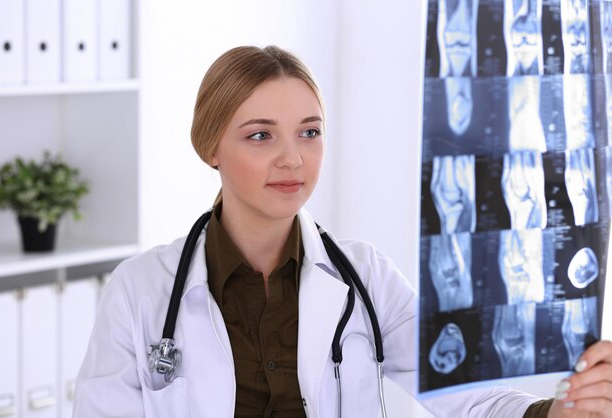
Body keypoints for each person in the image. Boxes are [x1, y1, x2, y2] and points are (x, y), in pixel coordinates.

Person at [73, 45, 612, 417]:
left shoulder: (364, 276)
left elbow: (468, 400)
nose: (293, 158)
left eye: (309, 132)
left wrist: (561, 411)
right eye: (261, 135)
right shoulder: (141, 291)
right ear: (211, 146)